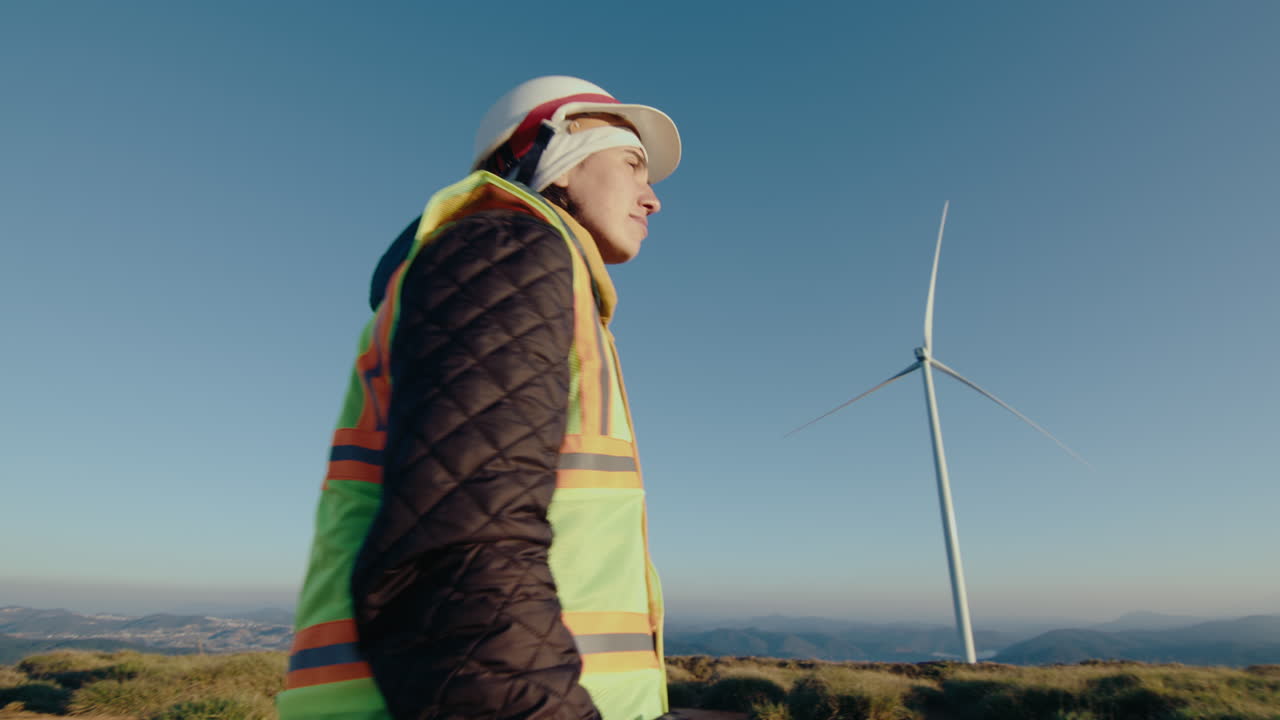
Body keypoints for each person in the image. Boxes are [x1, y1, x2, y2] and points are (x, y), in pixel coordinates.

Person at [277, 76, 682, 720]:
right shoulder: (505, 252)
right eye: (632, 163)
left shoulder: (512, 273)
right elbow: (458, 563)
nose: (653, 199)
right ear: (553, 157)